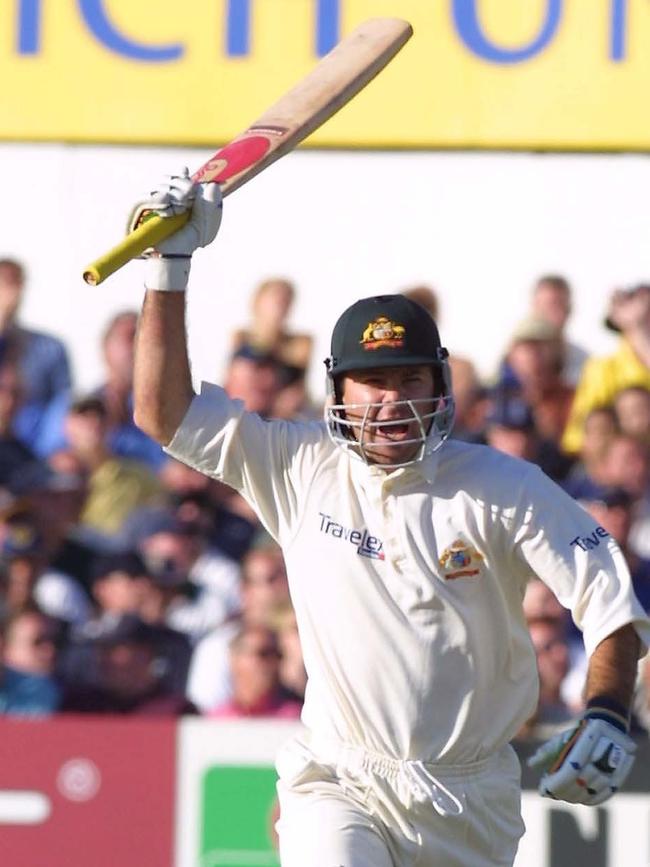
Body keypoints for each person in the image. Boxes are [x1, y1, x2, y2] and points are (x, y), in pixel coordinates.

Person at [131, 173, 650, 867]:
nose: (391, 402)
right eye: (373, 382)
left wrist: (609, 710)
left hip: (469, 796)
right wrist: (168, 272)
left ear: (439, 386)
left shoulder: (501, 485)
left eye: (410, 380)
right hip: (339, 777)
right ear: (338, 388)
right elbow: (162, 413)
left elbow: (609, 602)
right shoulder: (295, 462)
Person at [0, 258, 72, 456]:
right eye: (5, 282)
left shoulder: (51, 348)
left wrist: (48, 453)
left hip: (34, 452)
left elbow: (61, 404)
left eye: (17, 282)